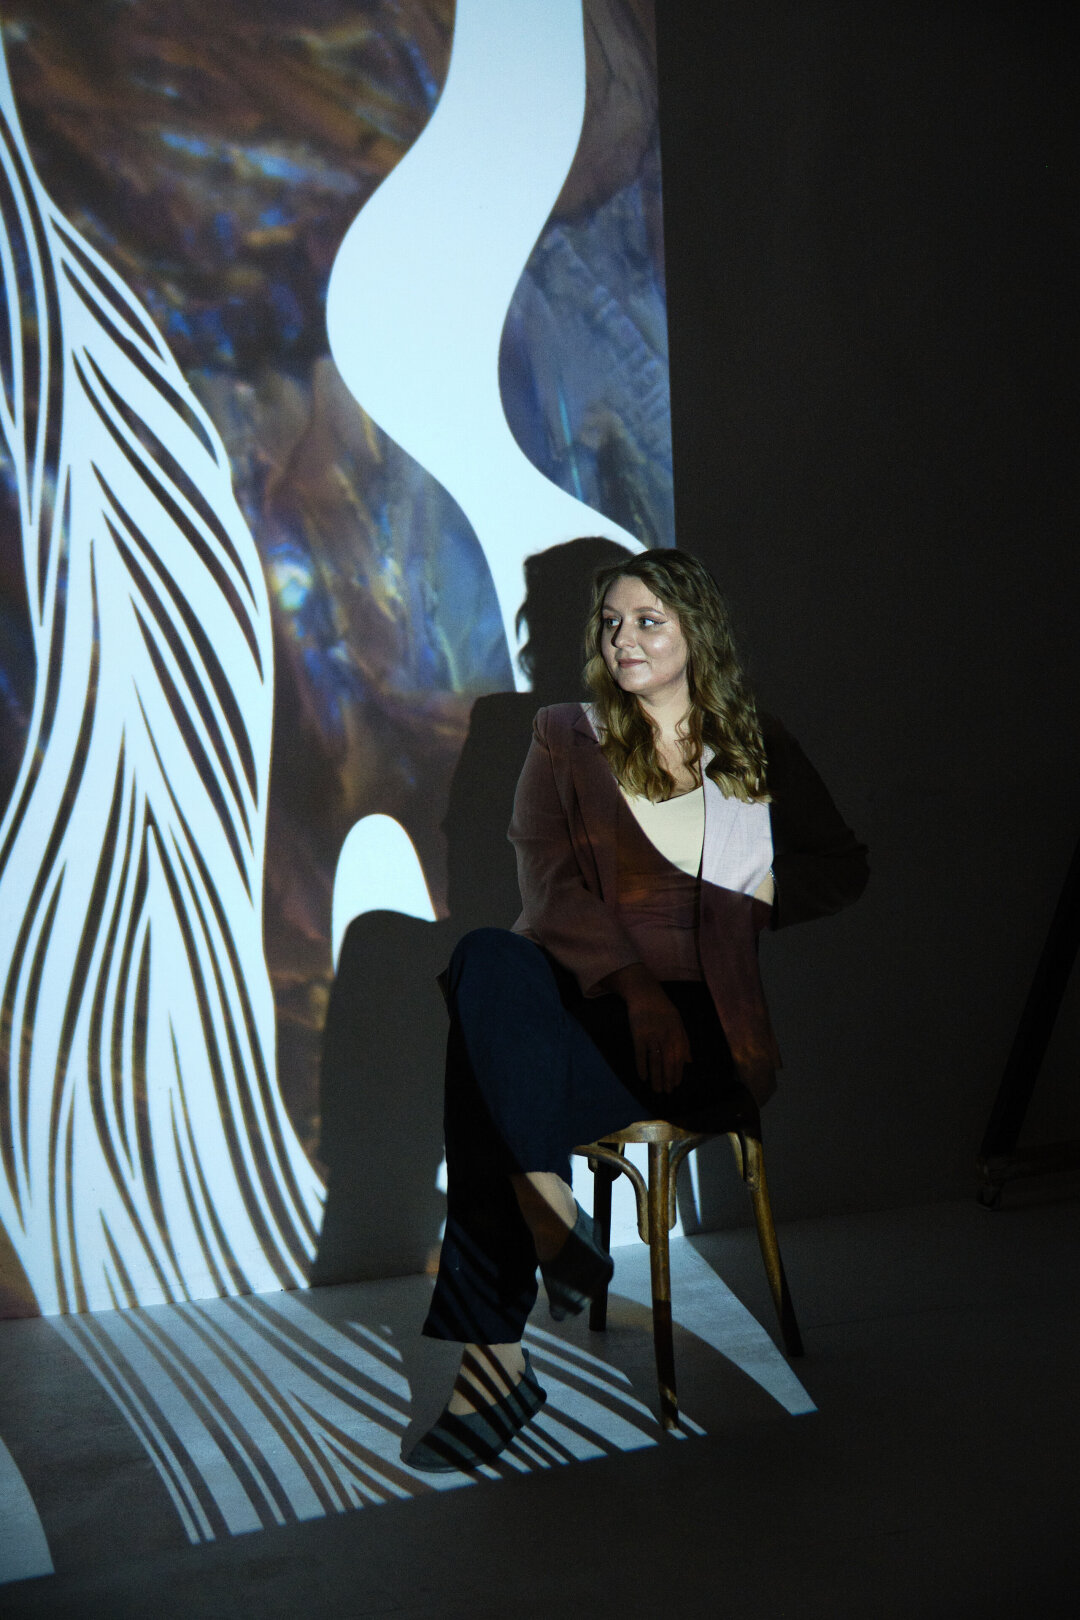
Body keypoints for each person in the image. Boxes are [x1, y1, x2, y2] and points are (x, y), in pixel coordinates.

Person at [407, 549, 868, 1471]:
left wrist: (754, 897)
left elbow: (843, 866)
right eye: (611, 623)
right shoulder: (561, 737)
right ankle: (545, 1209)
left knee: (489, 1089)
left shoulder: (757, 745)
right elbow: (547, 883)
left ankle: (496, 1355)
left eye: (648, 620)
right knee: (487, 957)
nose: (624, 639)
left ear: (697, 632)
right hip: (589, 1012)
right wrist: (633, 986)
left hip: (708, 1036)